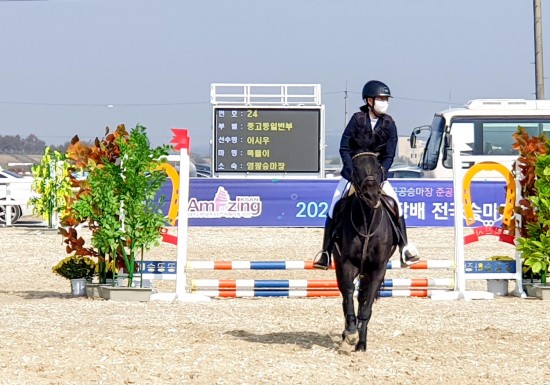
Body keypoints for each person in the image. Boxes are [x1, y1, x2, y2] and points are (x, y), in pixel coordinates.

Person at [313, 80, 419, 270]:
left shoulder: (389, 124)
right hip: (355, 174)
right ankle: (326, 252)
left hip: (377, 176)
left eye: (385, 99)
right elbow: (344, 147)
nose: (384, 102)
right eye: (380, 98)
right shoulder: (357, 119)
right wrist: (350, 170)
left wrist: (382, 173)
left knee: (396, 204)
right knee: (335, 204)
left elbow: (389, 154)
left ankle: (405, 248)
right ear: (369, 101)